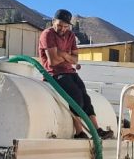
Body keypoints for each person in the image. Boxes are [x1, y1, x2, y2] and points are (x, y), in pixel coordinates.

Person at [38, 9, 114, 140]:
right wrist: (67, 57)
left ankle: (97, 130)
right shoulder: (47, 34)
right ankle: (79, 132)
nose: (62, 28)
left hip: (69, 71)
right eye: (59, 25)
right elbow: (53, 61)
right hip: (54, 74)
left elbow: (75, 59)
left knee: (86, 98)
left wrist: (63, 54)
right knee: (76, 96)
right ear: (53, 22)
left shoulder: (70, 35)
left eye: (65, 26)